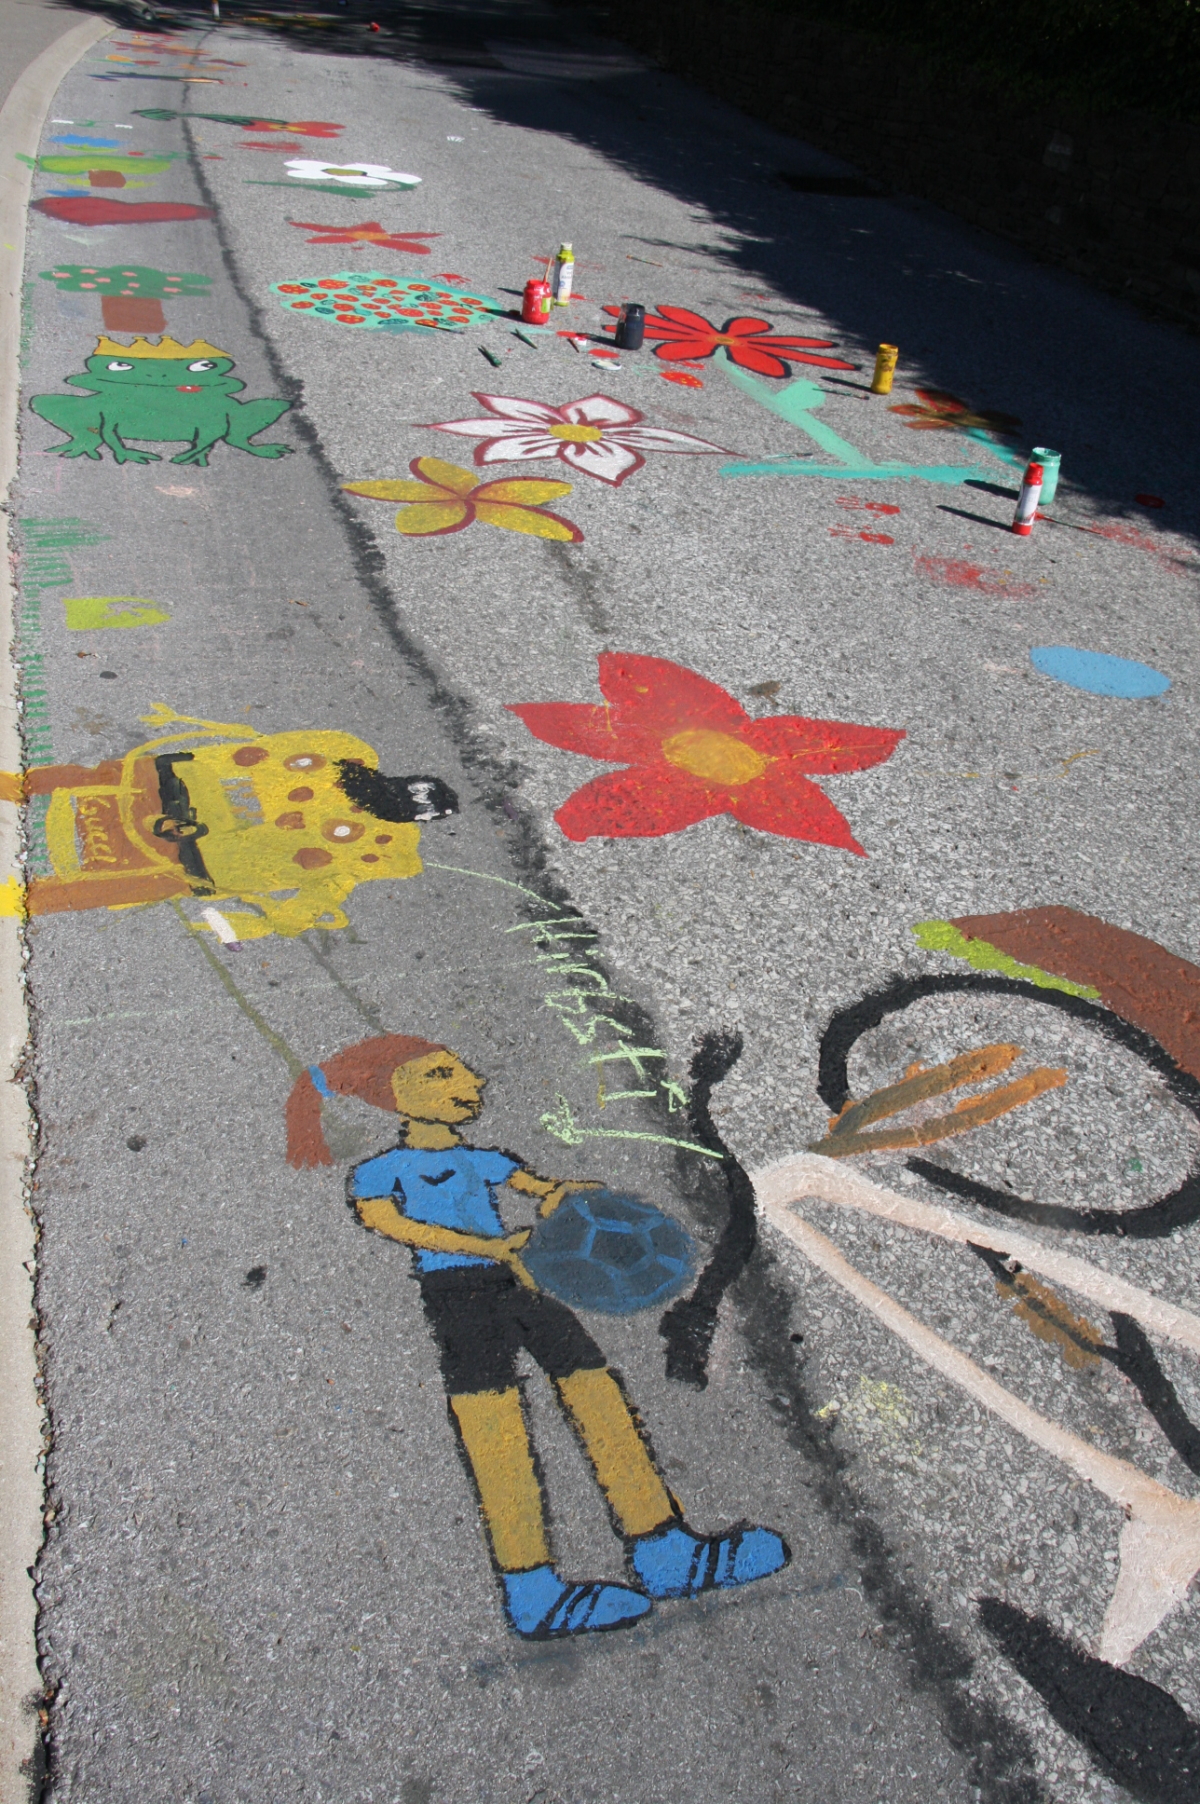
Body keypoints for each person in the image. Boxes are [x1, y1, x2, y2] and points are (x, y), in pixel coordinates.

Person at [286, 1033, 789, 1640]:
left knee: (595, 1390)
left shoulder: (482, 1161)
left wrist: (565, 1197)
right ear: (394, 1094)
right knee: (495, 1428)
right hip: (459, 1301)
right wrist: (491, 1247)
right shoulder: (381, 1172)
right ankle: (533, 1589)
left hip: (521, 1279)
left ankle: (665, 1548)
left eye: (462, 1071)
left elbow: (536, 1187)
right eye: (442, 1075)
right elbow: (399, 1226)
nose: (471, 1083)